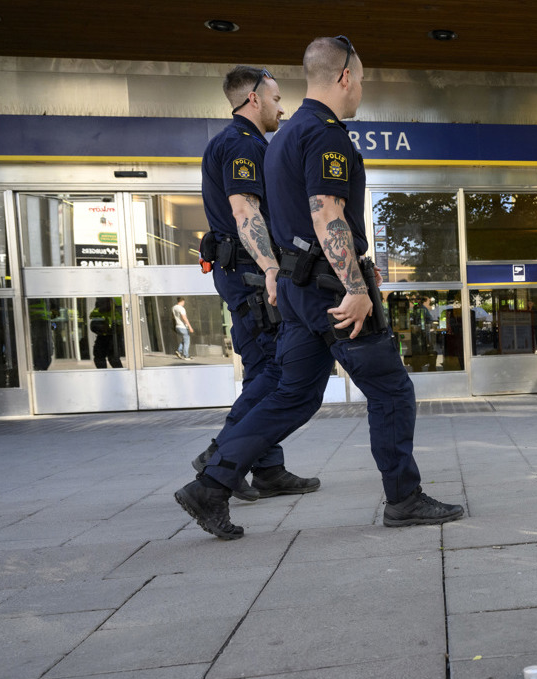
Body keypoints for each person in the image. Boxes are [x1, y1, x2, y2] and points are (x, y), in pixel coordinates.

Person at [175, 36, 464, 540]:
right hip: (332, 290)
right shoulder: (326, 134)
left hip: (296, 290)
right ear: (345, 75)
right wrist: (355, 287)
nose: (361, 90)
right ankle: (404, 498)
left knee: (294, 395)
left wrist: (277, 272)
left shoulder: (284, 137)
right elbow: (326, 211)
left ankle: (210, 483)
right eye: (362, 79)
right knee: (392, 390)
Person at [189, 64, 319, 503]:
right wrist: (269, 269)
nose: (282, 108)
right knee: (275, 368)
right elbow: (245, 212)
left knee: (265, 368)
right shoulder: (241, 145)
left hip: (242, 270)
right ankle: (220, 456)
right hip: (249, 272)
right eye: (277, 99)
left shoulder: (241, 144)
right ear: (254, 99)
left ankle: (267, 468)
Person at [90, 297, 122, 369]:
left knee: (113, 358)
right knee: (99, 357)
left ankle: (120, 375)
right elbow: (94, 324)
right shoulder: (97, 311)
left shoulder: (117, 306)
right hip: (102, 335)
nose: (100, 303)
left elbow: (122, 322)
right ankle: (103, 375)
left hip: (113, 335)